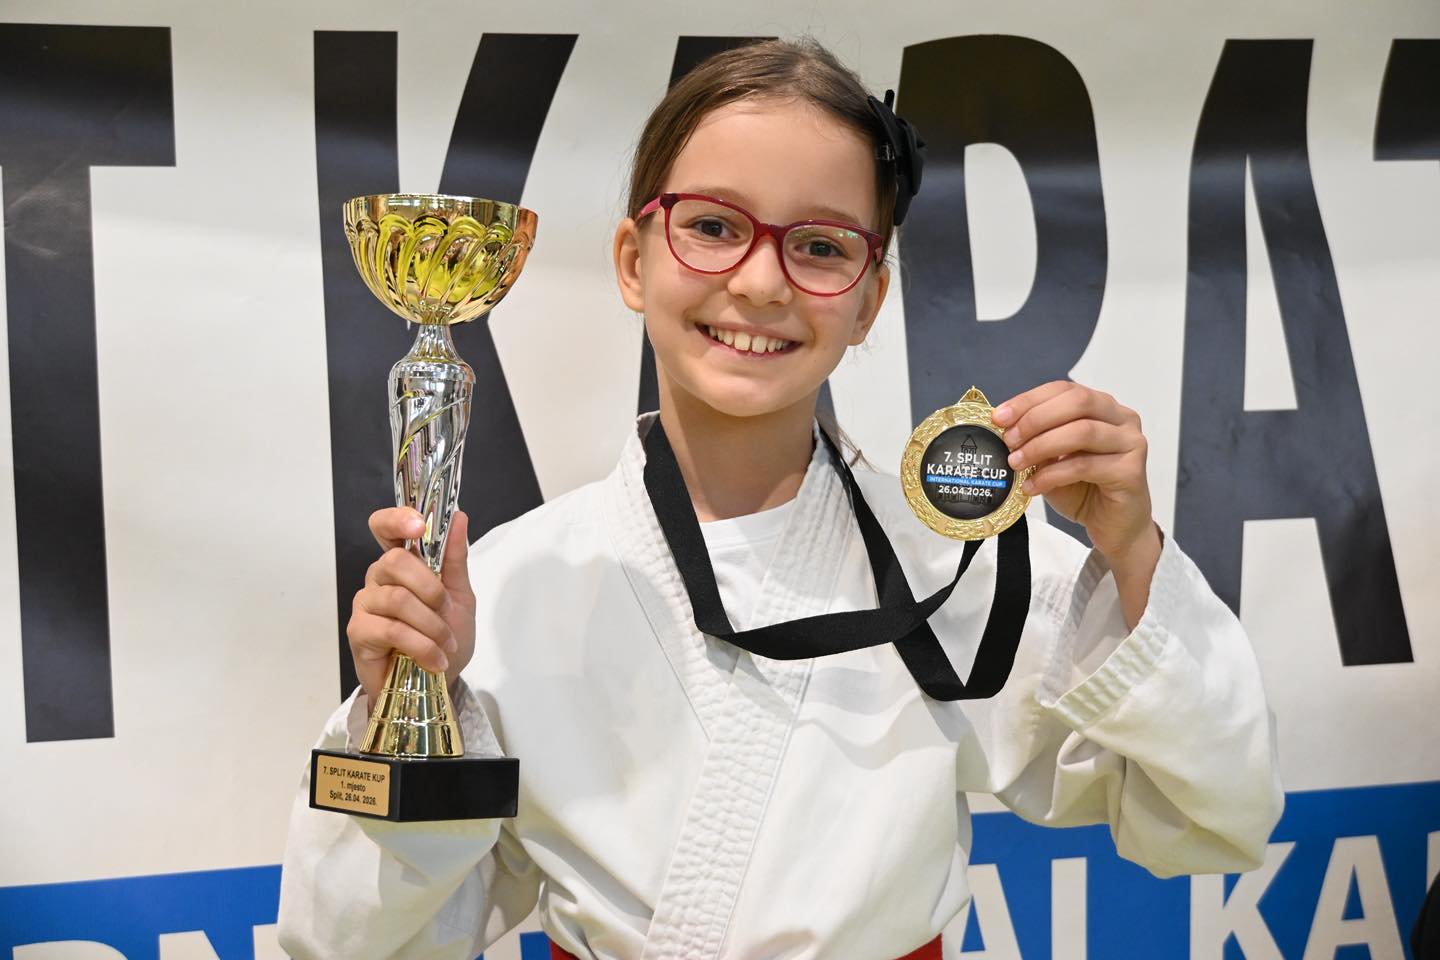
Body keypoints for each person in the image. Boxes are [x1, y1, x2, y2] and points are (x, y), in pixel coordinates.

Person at [277, 38, 1283, 960]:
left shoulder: (958, 566)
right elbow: (355, 946)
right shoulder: (512, 584)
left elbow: (1212, 821)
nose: (762, 282)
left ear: (870, 299)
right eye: (713, 226)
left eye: (821, 246)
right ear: (634, 261)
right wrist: (409, 710)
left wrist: (1134, 554)